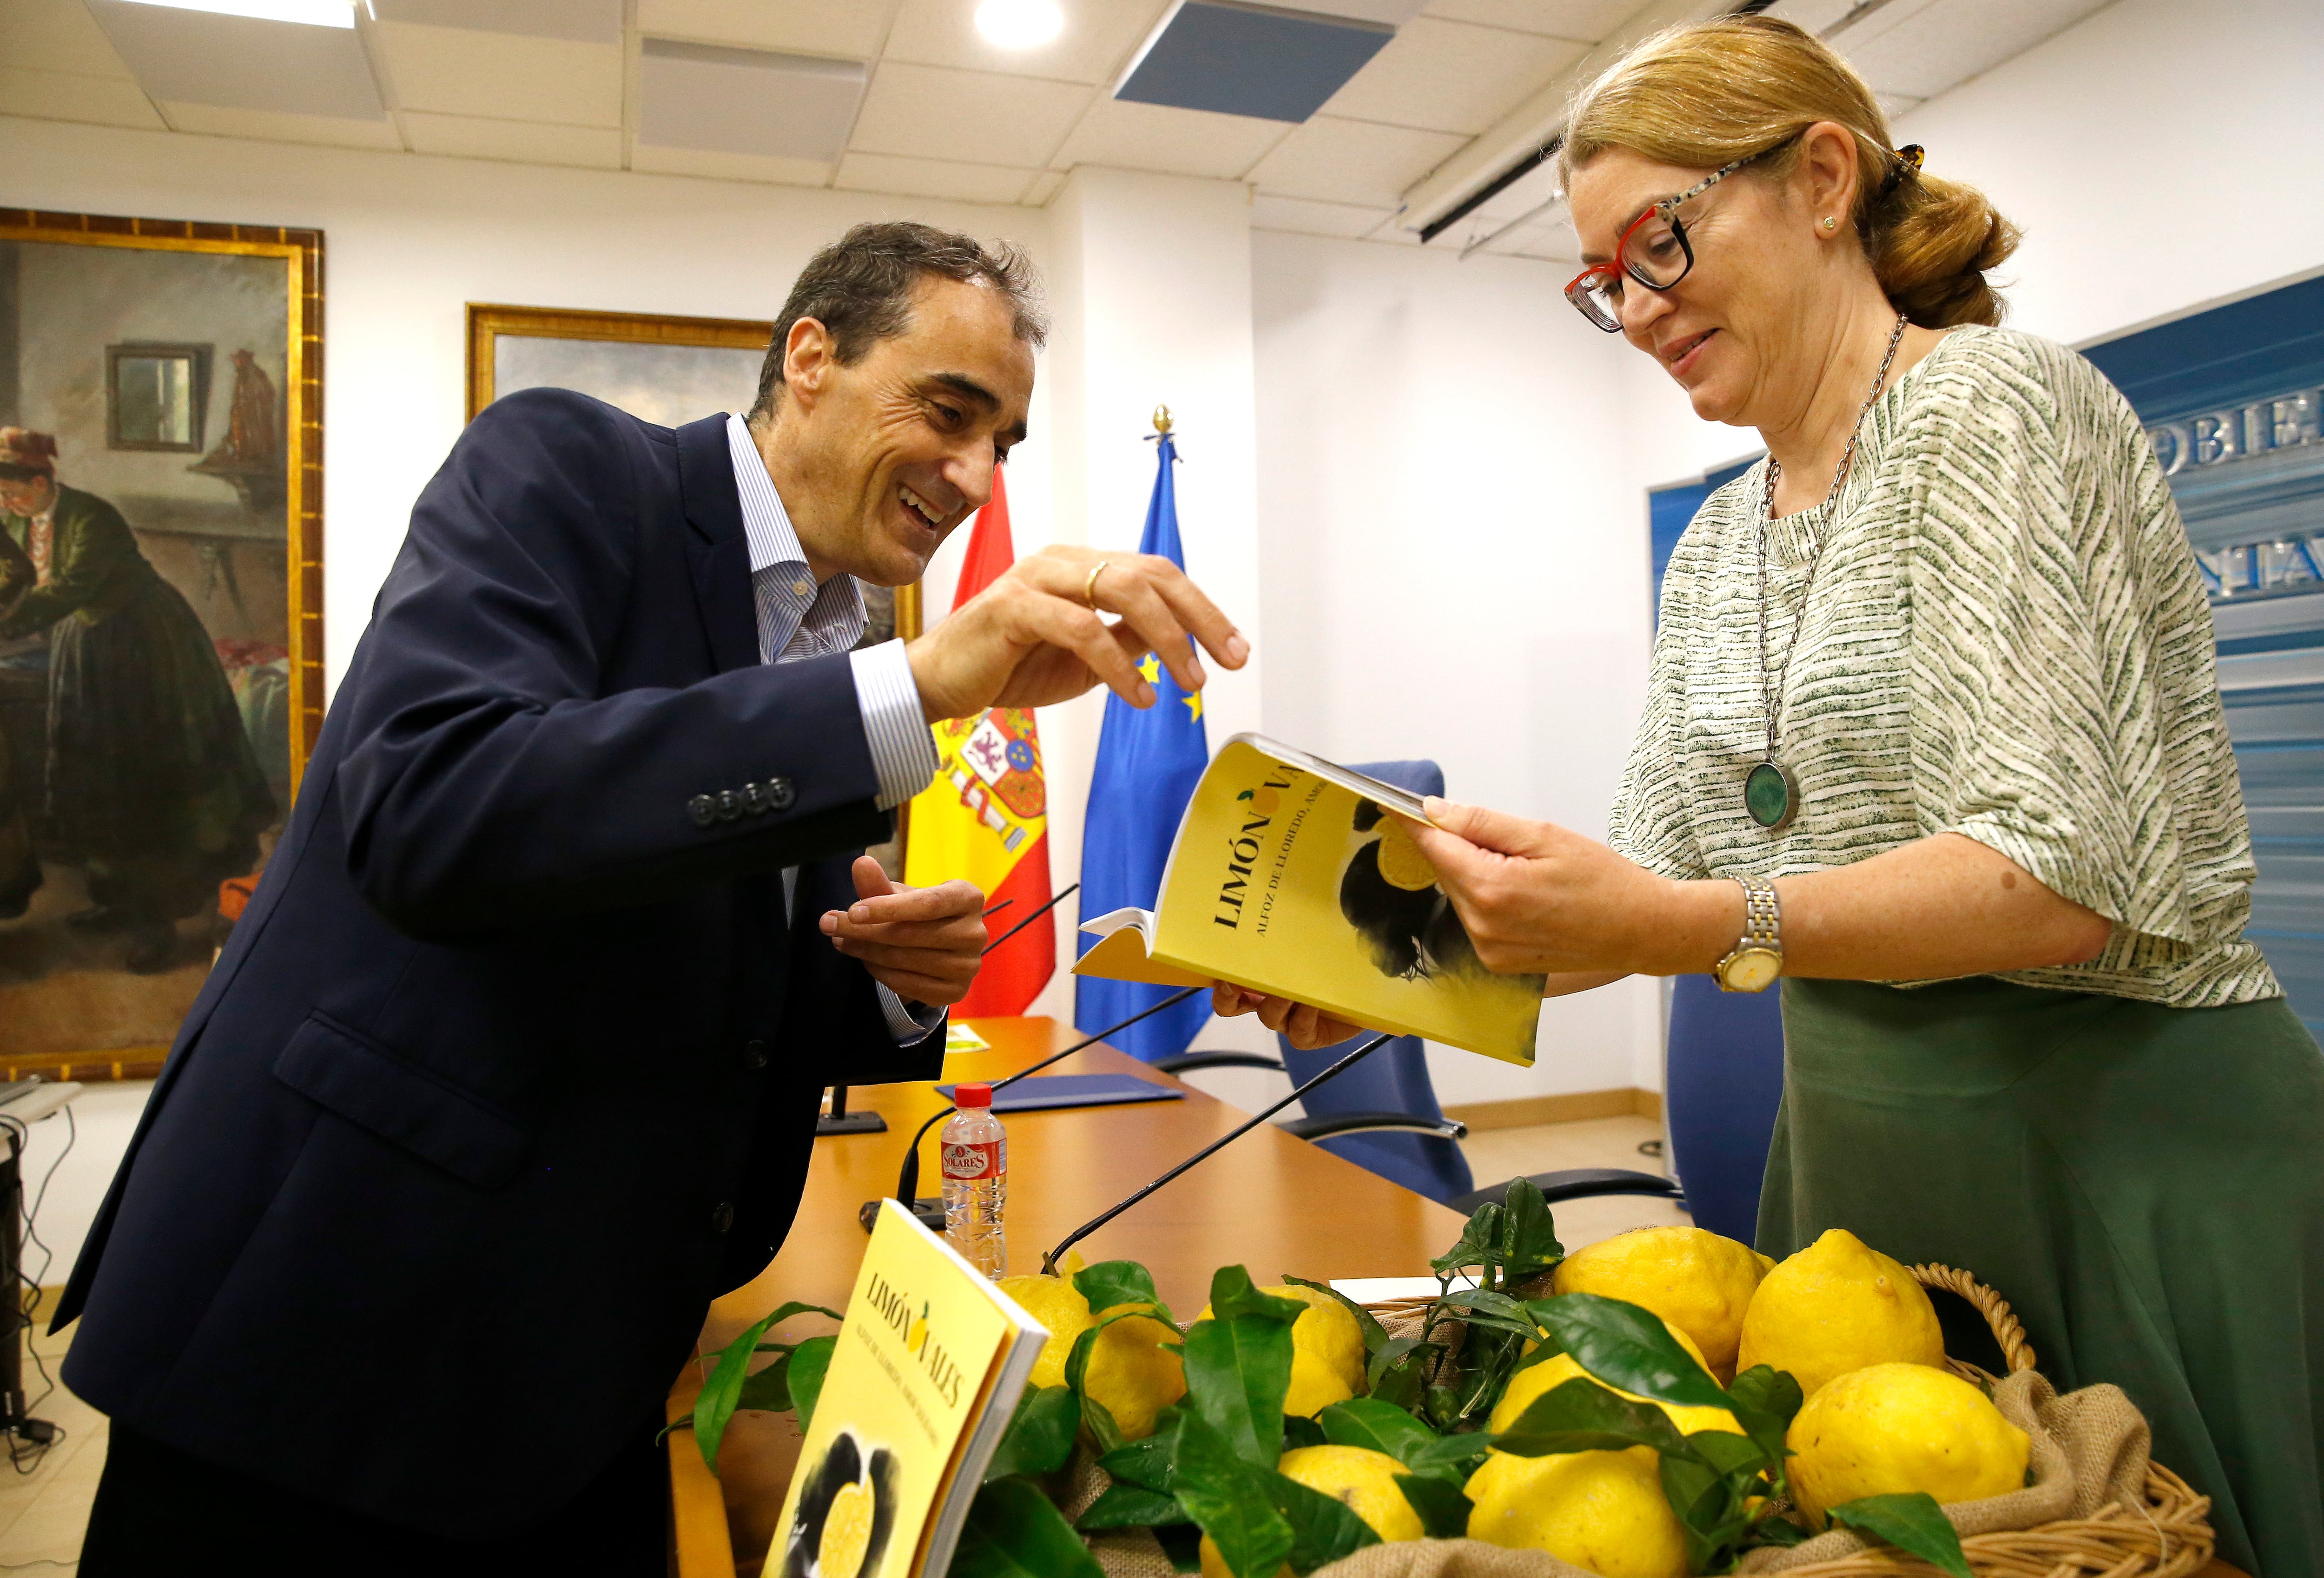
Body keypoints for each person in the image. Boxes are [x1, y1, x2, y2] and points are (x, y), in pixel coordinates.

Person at [1221, 19, 2322, 1571]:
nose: (1641, 308)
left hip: (2124, 1155)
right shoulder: (1721, 538)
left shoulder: (1997, 410)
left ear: (1821, 179)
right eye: (1605, 282)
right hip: (1867, 1169)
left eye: (1659, 242)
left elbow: (2054, 882)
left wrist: (1676, 912)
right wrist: (1396, 965)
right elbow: (1659, 887)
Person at [57, 222, 1248, 1575]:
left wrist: (887, 980)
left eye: (1004, 442)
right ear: (810, 357)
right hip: (337, 1330)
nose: (975, 476)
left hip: (584, 1360)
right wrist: (915, 692)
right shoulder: (563, 467)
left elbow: (729, 995)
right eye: (948, 411)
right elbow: (433, 811)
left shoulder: (841, 635)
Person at [0, 427, 275, 965]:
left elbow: (68, 589)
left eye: (12, 493)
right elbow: (18, 577)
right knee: (94, 775)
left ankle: (158, 923)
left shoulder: (92, 519)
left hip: (144, 645)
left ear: (39, 482)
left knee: (145, 782)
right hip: (87, 643)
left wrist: (7, 622)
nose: (6, 504)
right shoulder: (17, 519)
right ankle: (116, 901)